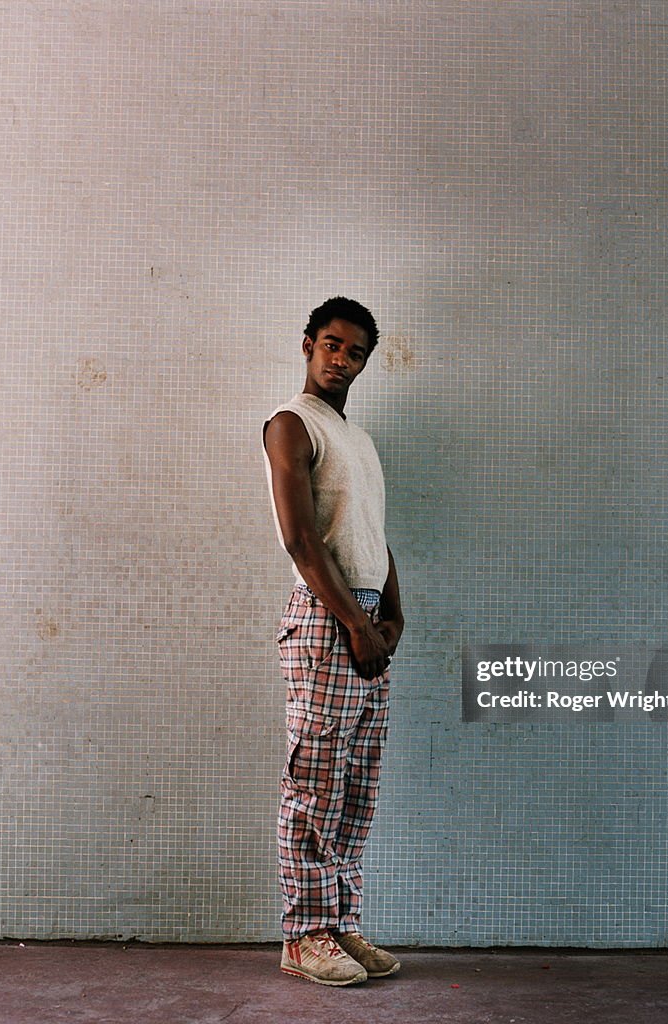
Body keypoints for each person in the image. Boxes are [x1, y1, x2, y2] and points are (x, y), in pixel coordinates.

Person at [262, 296, 405, 986]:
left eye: (353, 352)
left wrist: (392, 614)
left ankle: (340, 926)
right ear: (308, 344)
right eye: (330, 345)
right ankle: (302, 936)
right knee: (314, 783)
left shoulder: (361, 441)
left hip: (367, 619)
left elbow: (370, 533)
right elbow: (299, 537)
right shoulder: (291, 424)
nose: (340, 359)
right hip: (327, 620)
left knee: (355, 787)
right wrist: (353, 621)